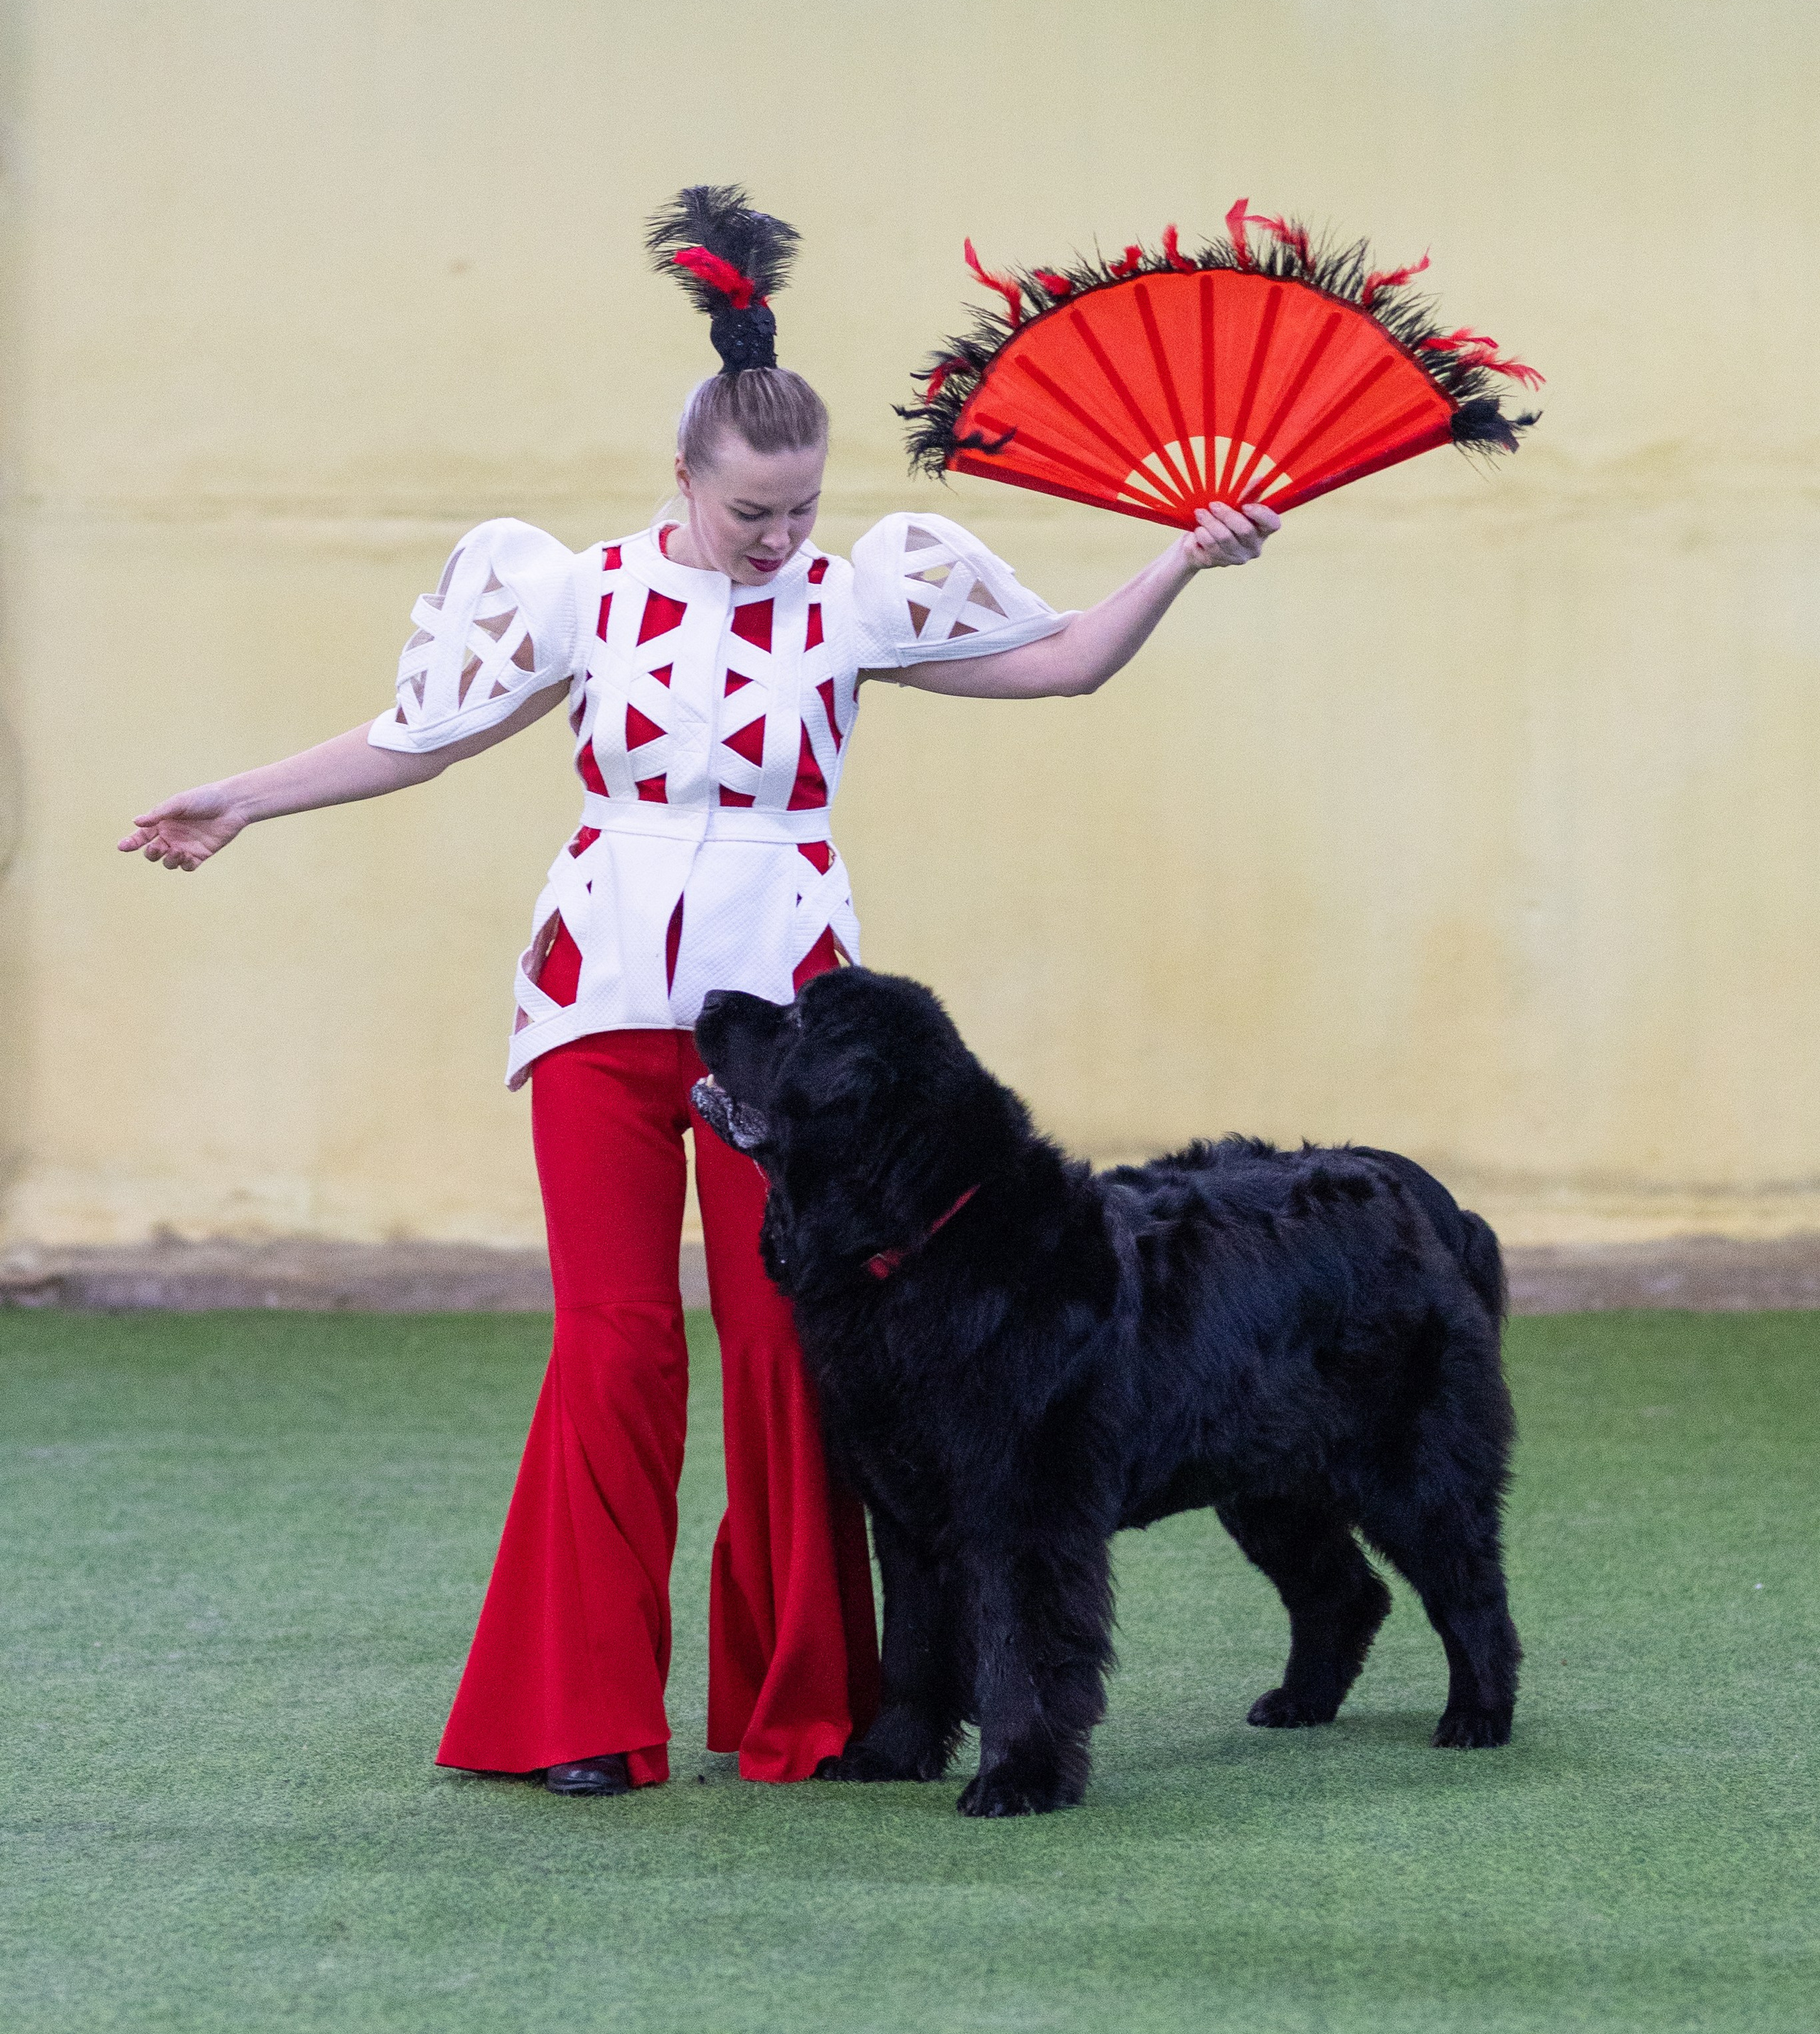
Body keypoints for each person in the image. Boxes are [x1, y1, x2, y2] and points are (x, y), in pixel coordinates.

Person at [119, 186, 1279, 1798]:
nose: (782, 535)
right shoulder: (573, 595)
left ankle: (801, 1711)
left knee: (790, 1350)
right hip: (595, 1007)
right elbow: (419, 735)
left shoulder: (860, 596)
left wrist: (1182, 561)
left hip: (791, 1042)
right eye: (754, 511)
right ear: (683, 477)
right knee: (611, 1345)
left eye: (803, 507)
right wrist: (240, 796)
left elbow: (1067, 662)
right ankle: (584, 1719)